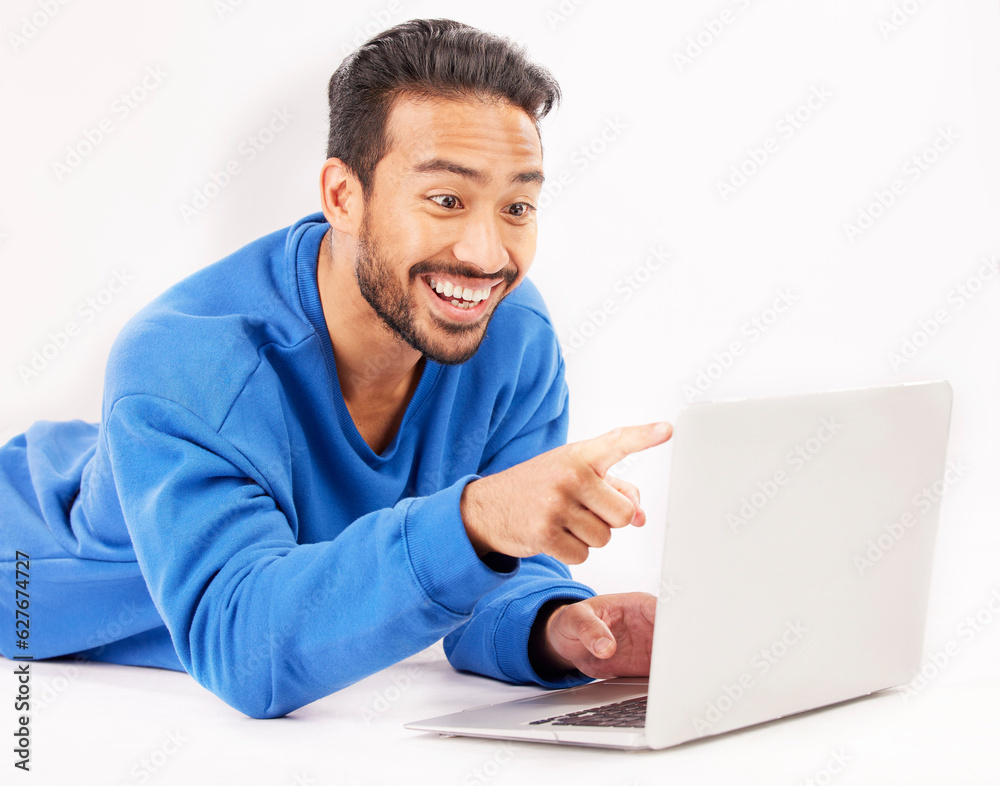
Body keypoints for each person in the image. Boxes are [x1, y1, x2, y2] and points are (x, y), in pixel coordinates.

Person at [0, 18, 671, 719]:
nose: (485, 254)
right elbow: (244, 649)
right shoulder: (187, 364)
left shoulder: (510, 335)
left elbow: (493, 574)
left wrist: (555, 628)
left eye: (517, 206)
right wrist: (477, 519)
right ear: (343, 196)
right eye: (446, 200)